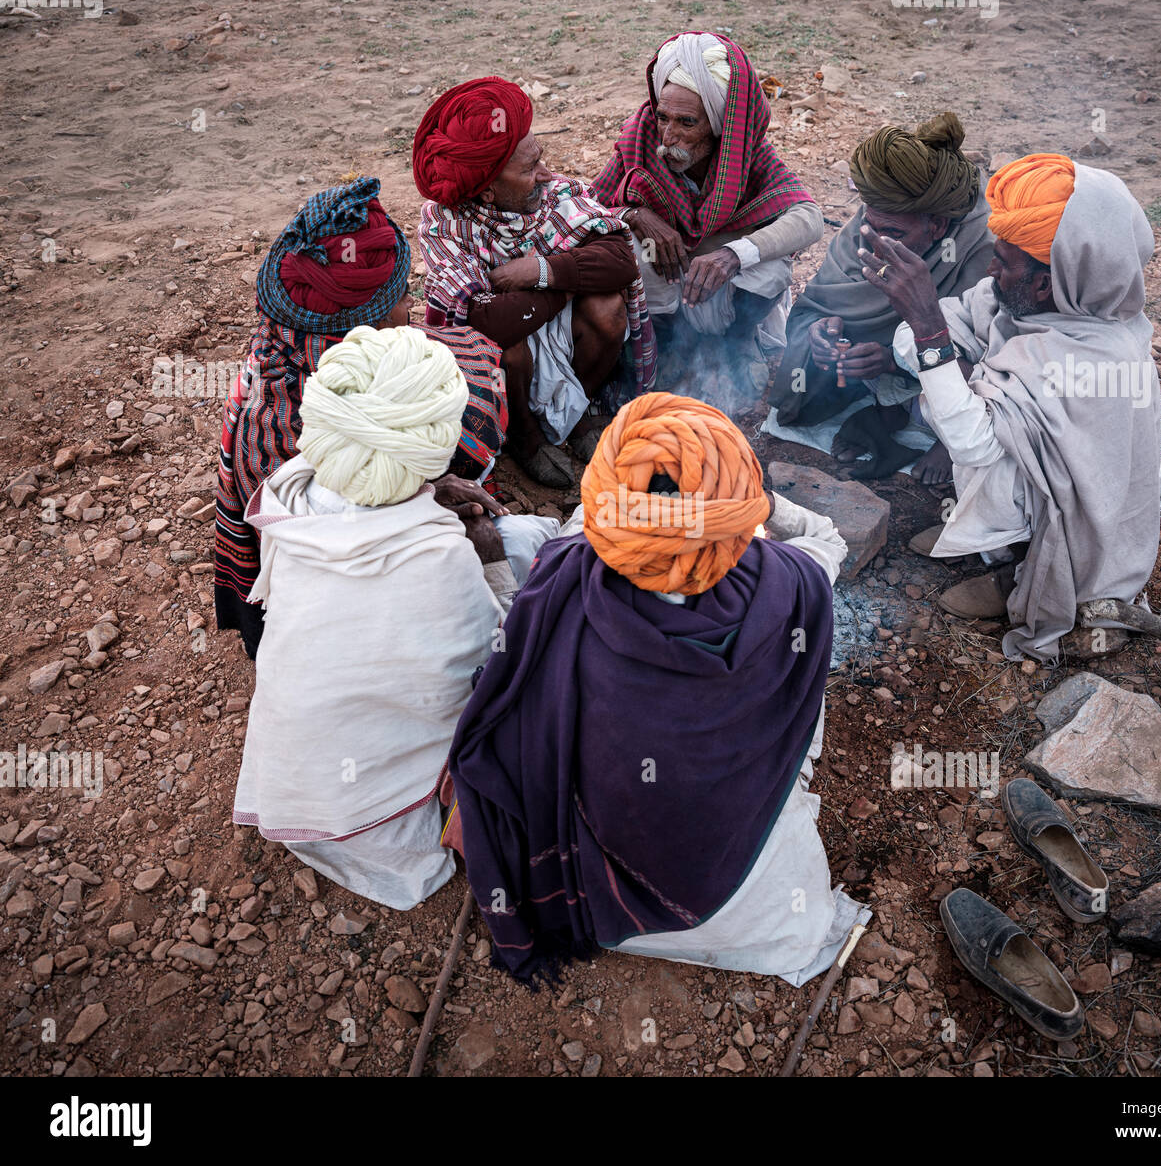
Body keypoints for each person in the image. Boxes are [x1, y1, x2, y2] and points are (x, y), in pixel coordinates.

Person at [440, 393, 868, 985]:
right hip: (734, 883)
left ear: (610, 513)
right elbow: (826, 537)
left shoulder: (559, 581)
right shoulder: (793, 583)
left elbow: (576, 545)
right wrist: (745, 502)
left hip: (587, 894)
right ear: (740, 521)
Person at [233, 325, 557, 910]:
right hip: (379, 824)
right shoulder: (437, 558)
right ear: (430, 442)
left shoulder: (292, 492)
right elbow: (499, 664)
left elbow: (365, 508)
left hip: (292, 787)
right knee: (528, 548)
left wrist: (424, 490)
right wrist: (485, 555)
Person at [857, 153, 1161, 660]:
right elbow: (957, 317)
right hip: (1029, 473)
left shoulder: (1096, 360)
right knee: (960, 393)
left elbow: (972, 441)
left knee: (984, 450)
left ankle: (1021, 568)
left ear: (1048, 280)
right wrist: (932, 330)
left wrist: (930, 329)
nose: (991, 269)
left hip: (1072, 527)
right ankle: (989, 540)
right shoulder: (1031, 300)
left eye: (1004, 261)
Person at [214, 176, 507, 659]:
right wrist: (424, 502)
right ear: (358, 327)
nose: (412, 304)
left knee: (471, 369)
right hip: (331, 585)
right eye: (399, 299)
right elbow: (323, 533)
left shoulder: (301, 340)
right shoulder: (287, 422)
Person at [413, 77, 656, 490]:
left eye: (540, 159)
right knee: (505, 345)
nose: (546, 175)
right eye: (529, 169)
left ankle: (578, 412)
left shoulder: (554, 194)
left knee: (607, 305)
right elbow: (485, 323)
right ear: (487, 193)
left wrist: (539, 272)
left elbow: (620, 261)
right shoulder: (445, 226)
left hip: (531, 311)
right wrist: (566, 285)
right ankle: (525, 436)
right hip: (508, 342)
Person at [593, 32, 822, 406]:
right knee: (628, 244)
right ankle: (668, 346)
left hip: (719, 295)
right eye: (663, 117)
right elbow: (588, 209)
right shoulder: (641, 138)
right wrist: (636, 214)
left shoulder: (746, 151)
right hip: (664, 293)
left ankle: (732, 346)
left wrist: (733, 255)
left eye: (687, 123)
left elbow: (808, 217)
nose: (668, 136)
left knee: (772, 264)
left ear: (719, 123)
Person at [770, 112, 994, 485]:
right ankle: (887, 413)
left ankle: (943, 438)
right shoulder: (868, 226)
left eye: (891, 232)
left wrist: (892, 361)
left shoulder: (981, 249)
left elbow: (993, 360)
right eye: (868, 225)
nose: (873, 242)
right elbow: (815, 304)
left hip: (951, 370)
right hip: (888, 372)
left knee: (975, 403)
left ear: (937, 226)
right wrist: (820, 333)